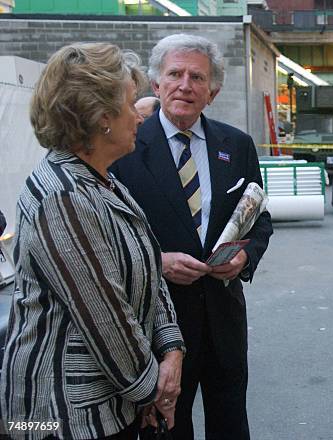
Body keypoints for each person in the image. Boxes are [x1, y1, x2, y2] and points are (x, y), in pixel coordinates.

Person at [0, 43, 186, 439]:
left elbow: (149, 269)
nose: (139, 116)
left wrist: (171, 347)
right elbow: (105, 318)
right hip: (62, 416)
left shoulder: (102, 181)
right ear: (102, 117)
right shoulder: (63, 196)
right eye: (131, 103)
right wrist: (154, 389)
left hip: (108, 407)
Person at [111, 34, 273, 440]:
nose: (185, 85)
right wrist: (158, 262)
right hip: (156, 327)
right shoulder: (123, 147)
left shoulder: (236, 145)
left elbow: (259, 218)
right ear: (156, 84)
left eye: (197, 77)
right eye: (175, 74)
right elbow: (107, 238)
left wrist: (245, 258)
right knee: (166, 429)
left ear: (212, 91)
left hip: (224, 319)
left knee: (231, 424)